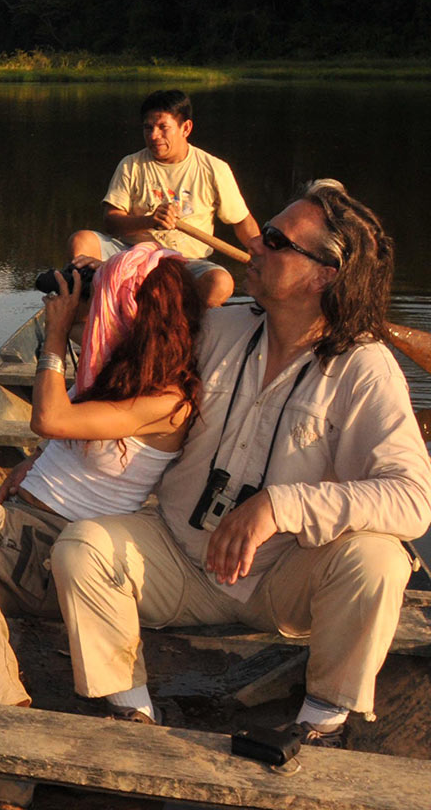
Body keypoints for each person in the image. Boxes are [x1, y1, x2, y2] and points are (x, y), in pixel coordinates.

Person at [50, 180, 431, 749]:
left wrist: (280, 505)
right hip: (179, 557)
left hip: (286, 579)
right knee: (81, 548)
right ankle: (130, 710)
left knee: (378, 559)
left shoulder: (366, 369)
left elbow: (412, 499)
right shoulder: (220, 329)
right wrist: (43, 459)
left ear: (326, 273)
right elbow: (124, 378)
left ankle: (322, 717)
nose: (254, 243)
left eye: (275, 240)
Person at [0, 243, 205, 715]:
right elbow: (61, 434)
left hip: (61, 558)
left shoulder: (166, 401)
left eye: (104, 300)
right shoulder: (111, 370)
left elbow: (51, 417)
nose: (92, 310)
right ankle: (8, 742)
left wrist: (54, 334)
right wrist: (36, 460)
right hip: (18, 539)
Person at [67, 89, 259, 308]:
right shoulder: (131, 164)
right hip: (131, 256)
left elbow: (242, 221)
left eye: (162, 128)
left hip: (186, 263)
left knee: (221, 283)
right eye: (148, 128)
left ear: (185, 128)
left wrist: (262, 254)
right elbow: (111, 222)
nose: (154, 135)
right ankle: (100, 309)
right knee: (81, 240)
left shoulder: (213, 168)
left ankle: (176, 322)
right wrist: (150, 221)